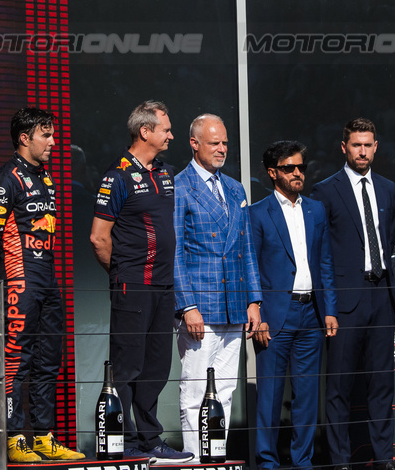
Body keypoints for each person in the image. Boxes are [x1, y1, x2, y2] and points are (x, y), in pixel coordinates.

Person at [0, 108, 86, 463]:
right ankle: (11, 438)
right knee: (15, 363)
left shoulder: (46, 178)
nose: (53, 142)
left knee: (48, 362)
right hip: (19, 283)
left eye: (52, 135)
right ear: (25, 138)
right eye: (46, 135)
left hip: (48, 281)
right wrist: (0, 288)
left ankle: (42, 436)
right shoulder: (4, 180)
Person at [90, 101, 193, 463]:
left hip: (164, 287)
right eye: (165, 129)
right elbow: (99, 238)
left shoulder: (165, 173)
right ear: (145, 132)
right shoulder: (115, 176)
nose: (171, 135)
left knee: (155, 368)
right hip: (133, 284)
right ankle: (123, 440)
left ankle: (150, 439)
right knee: (127, 366)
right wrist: (122, 275)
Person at [311, 117, 395, 470]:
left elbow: (389, 235)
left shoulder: (389, 189)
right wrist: (329, 303)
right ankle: (340, 461)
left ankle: (383, 459)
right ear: (344, 147)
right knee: (339, 387)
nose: (362, 151)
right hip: (346, 299)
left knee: (382, 385)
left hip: (382, 295)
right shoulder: (325, 190)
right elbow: (322, 254)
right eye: (356, 145)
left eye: (368, 145)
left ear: (375, 147)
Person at [173, 114, 262, 458]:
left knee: (224, 390)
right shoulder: (180, 186)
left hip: (234, 303)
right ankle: (194, 458)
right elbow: (176, 250)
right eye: (215, 143)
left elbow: (246, 249)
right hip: (200, 306)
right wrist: (187, 305)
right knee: (196, 388)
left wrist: (254, 300)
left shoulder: (235, 187)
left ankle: (216, 456)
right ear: (194, 144)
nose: (222, 149)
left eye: (225, 142)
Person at [250, 140, 338, 470]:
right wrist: (255, 312)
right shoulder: (257, 213)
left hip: (311, 314)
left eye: (301, 167)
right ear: (273, 173)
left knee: (306, 396)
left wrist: (330, 309)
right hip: (273, 317)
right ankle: (268, 463)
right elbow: (251, 269)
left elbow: (325, 262)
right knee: (270, 396)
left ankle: (303, 462)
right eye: (289, 168)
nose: (298, 173)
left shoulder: (315, 209)